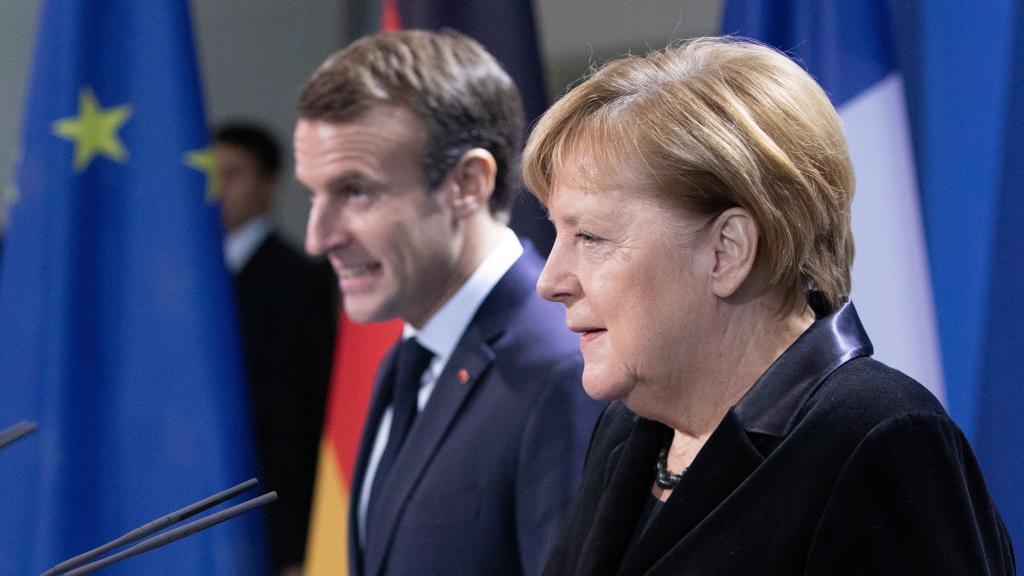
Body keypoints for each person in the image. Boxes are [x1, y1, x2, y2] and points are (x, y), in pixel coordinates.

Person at [524, 37, 1016, 575]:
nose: (551, 282)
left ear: (727, 251)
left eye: (590, 236)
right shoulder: (629, 432)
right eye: (558, 234)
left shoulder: (877, 439)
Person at [294, 30, 604, 576]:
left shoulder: (561, 370)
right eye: (313, 194)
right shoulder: (409, 357)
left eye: (355, 192)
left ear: (468, 183)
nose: (317, 239)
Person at [213, 122, 337, 576]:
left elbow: (299, 419)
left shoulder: (295, 279)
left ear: (269, 184)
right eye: (210, 173)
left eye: (233, 174)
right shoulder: (191, 284)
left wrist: (295, 543)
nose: (218, 188)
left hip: (271, 515)